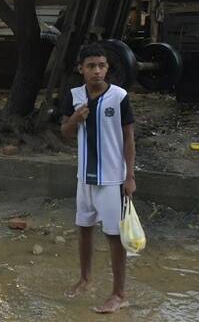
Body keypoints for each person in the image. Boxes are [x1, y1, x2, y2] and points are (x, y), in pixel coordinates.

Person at [60, 43, 136, 314]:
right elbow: (65, 132)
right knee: (84, 229)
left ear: (108, 68)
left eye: (101, 66)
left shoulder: (119, 96)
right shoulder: (74, 95)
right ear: (81, 69)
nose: (96, 71)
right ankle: (85, 278)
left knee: (114, 236)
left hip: (112, 180)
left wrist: (130, 176)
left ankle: (119, 293)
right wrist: (76, 118)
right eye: (91, 66)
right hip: (84, 178)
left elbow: (129, 137)